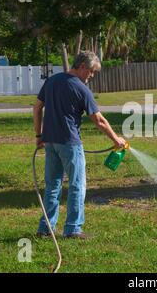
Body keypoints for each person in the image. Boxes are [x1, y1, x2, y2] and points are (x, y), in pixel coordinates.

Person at [33, 51, 126, 239]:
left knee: (53, 185)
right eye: (91, 72)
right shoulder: (81, 89)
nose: (91, 76)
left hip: (50, 141)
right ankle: (73, 229)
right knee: (77, 185)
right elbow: (99, 120)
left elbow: (36, 107)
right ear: (82, 66)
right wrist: (117, 140)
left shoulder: (52, 81)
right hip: (69, 143)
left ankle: (46, 228)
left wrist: (39, 135)